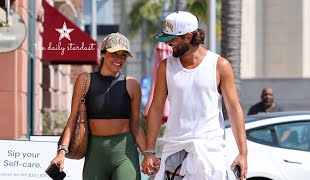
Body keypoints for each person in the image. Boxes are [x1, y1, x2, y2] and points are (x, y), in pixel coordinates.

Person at [141, 11, 248, 180]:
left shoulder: (220, 65)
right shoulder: (165, 66)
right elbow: (155, 109)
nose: (168, 43)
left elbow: (234, 110)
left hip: (210, 152)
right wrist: (149, 152)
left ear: (188, 37)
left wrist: (243, 153)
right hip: (174, 151)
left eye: (172, 39)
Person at [50, 32, 146, 180]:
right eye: (114, 54)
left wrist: (149, 154)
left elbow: (135, 125)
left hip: (124, 152)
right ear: (103, 54)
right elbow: (72, 119)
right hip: (95, 154)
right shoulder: (85, 80)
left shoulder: (132, 85)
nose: (119, 59)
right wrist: (61, 152)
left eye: (123, 55)